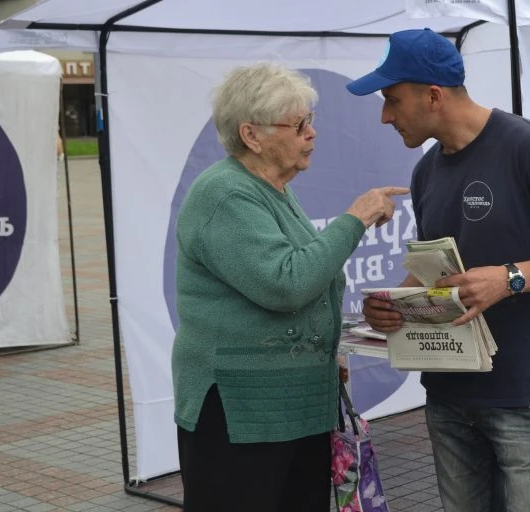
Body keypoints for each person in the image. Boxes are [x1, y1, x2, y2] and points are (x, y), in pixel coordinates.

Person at [349, 28, 530, 512]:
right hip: (449, 398)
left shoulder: (529, 148)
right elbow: (436, 272)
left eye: (392, 100)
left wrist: (509, 278)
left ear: (433, 96)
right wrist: (393, 304)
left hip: (527, 398)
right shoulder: (426, 172)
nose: (386, 116)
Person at [171, 63, 408, 511]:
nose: (311, 133)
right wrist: (355, 218)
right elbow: (287, 284)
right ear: (251, 135)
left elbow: (308, 280)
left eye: (309, 121)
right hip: (243, 415)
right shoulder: (225, 194)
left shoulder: (271, 189)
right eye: (298, 125)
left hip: (289, 409)